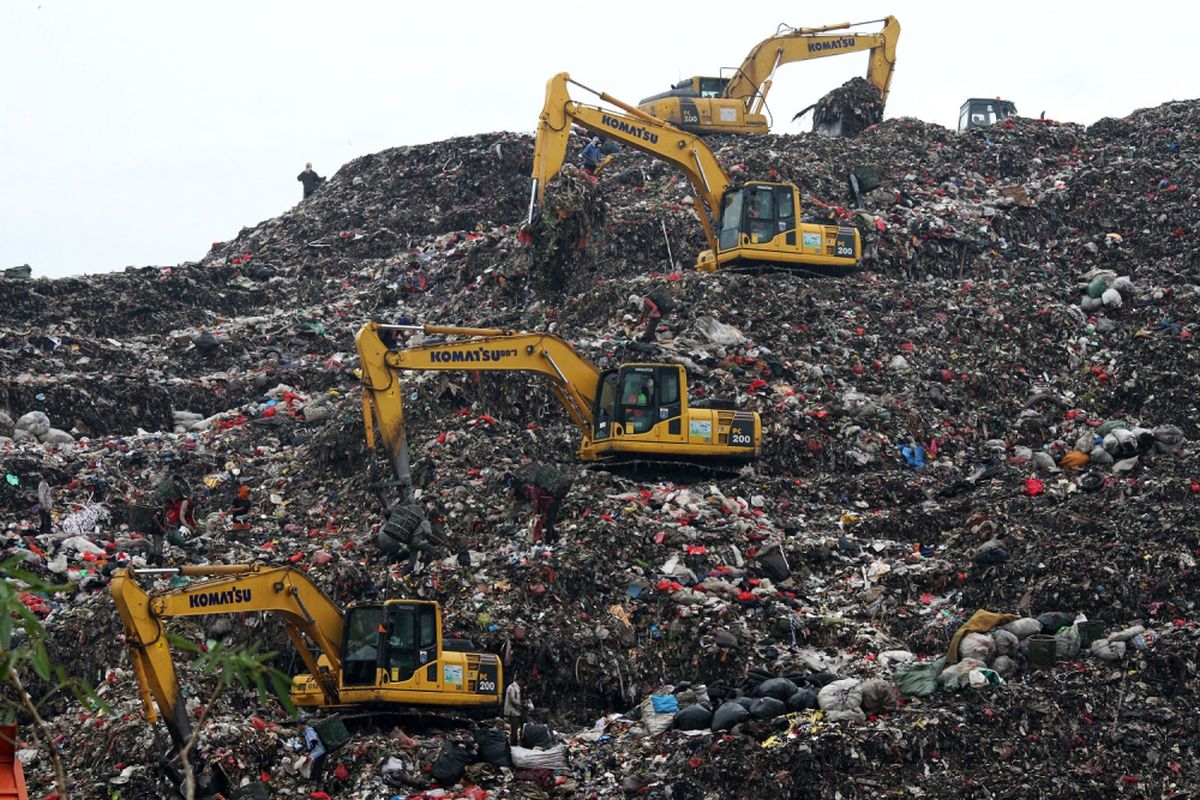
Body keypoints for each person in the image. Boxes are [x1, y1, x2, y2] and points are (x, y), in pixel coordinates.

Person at [504, 677, 532, 745]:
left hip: (517, 712)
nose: (523, 684)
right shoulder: (512, 687)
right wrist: (521, 705)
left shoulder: (518, 688)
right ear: (520, 680)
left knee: (521, 728)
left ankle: (519, 743)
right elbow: (513, 700)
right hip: (513, 712)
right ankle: (513, 745)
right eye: (523, 682)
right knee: (514, 730)